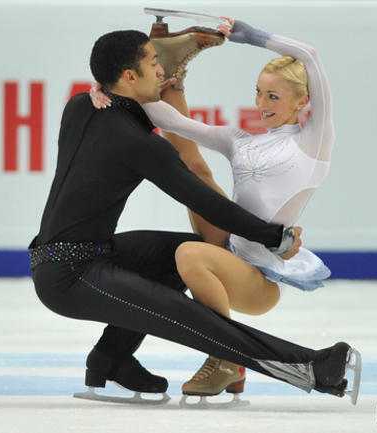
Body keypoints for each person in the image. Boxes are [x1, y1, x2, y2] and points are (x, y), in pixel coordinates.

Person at [29, 27, 359, 406]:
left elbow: (149, 115)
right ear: (130, 75)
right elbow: (204, 199)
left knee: (183, 253)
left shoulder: (81, 105)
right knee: (181, 315)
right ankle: (310, 367)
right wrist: (275, 237)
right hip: (71, 276)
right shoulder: (138, 144)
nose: (161, 71)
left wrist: (108, 86)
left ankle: (111, 359)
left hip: (79, 254)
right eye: (155, 63)